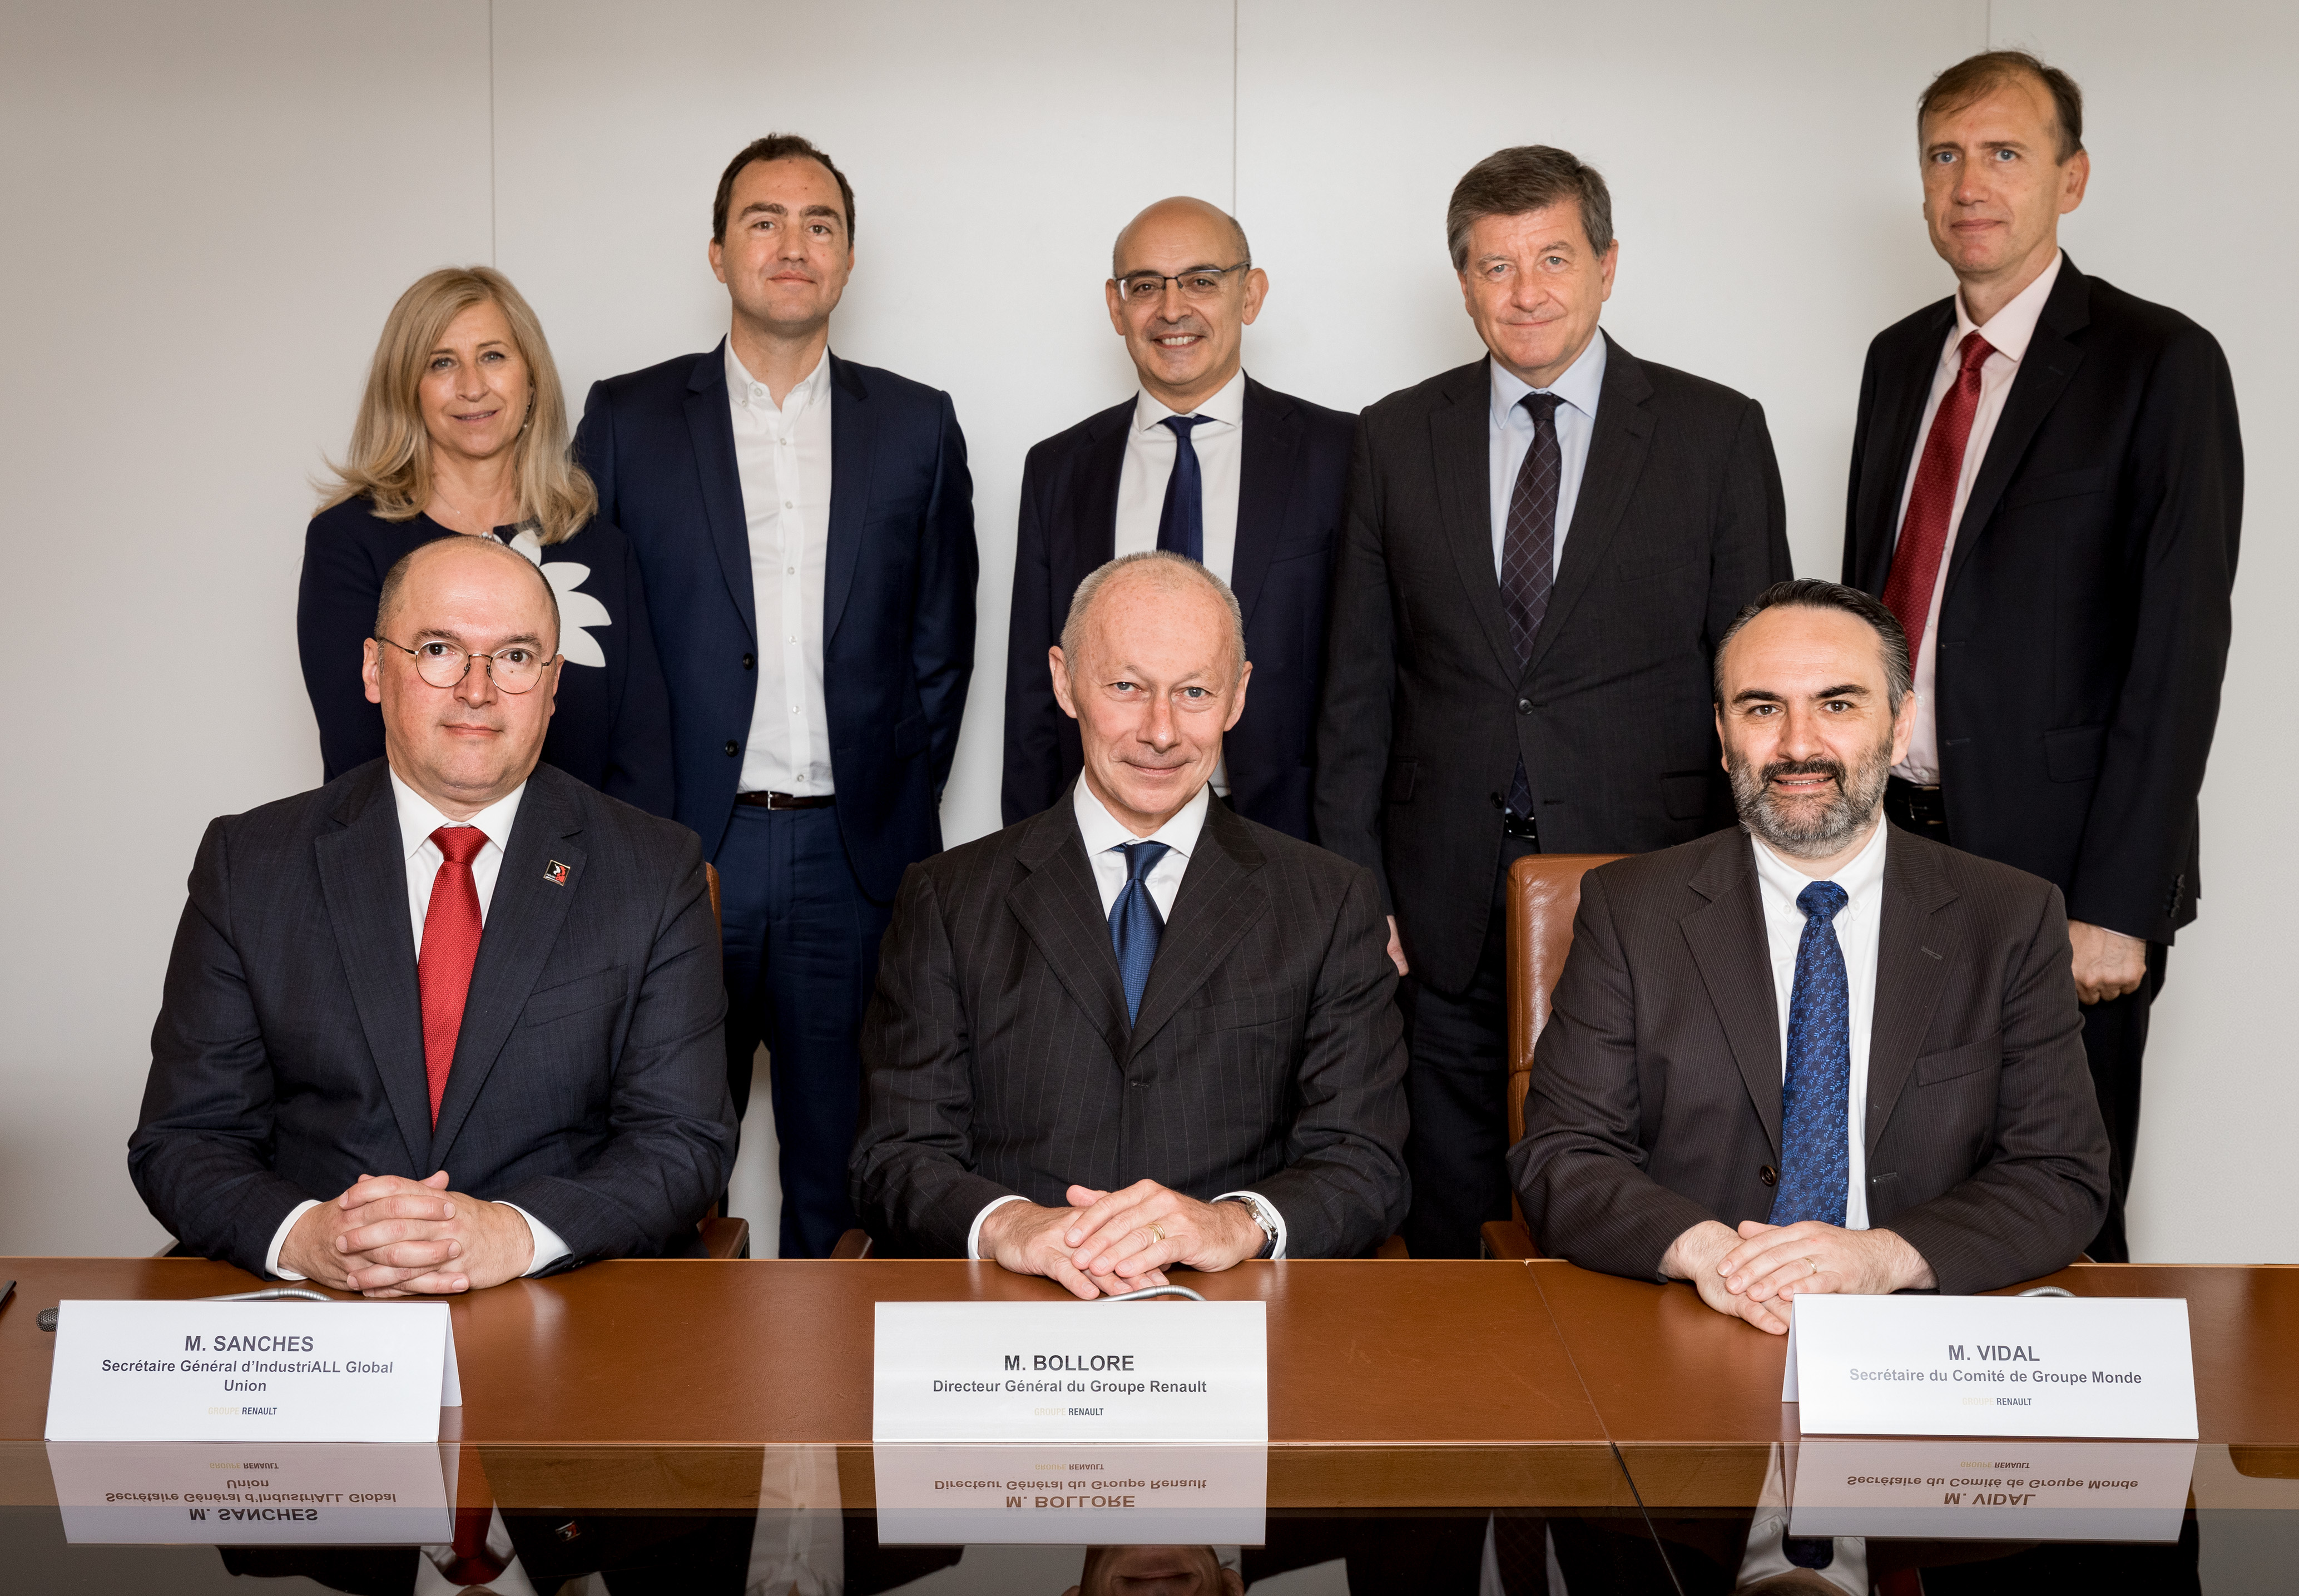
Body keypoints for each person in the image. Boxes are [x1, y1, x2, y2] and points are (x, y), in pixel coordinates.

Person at [1316, 145, 1793, 1258]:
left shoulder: (1714, 433)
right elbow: (1356, 688)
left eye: (1552, 259)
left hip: (1652, 885)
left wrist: (1753, 885)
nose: (1524, 292)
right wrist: (1358, 891)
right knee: (1448, 1203)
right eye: (1495, 266)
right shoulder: (1394, 435)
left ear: (1607, 266)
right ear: (1463, 283)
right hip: (1437, 899)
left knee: (1640, 1196)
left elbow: (1759, 688)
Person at [1843, 50, 2241, 1263]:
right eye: (1944, 156)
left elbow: (2177, 652)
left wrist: (2115, 905)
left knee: (2061, 1204)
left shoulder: (2158, 363)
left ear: (2071, 179)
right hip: (1894, 845)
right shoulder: (1897, 357)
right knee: (1899, 1184)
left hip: (2064, 874)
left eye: (2005, 153)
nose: (1970, 184)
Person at [131, 535, 735, 1291]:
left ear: (553, 686)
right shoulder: (249, 862)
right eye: (440, 649)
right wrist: (309, 1237)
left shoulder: (654, 869)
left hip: (564, 1301)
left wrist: (513, 1235)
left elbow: (683, 1141)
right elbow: (186, 1137)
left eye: (515, 656)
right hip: (322, 1313)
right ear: (373, 669)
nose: (478, 690)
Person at [575, 134, 978, 1258]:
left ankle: (827, 1383)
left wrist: (886, 804)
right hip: (672, 856)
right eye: (763, 220)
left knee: (845, 1179)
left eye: (819, 223)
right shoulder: (627, 419)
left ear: (848, 258)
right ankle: (673, 1379)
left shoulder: (917, 424)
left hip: (852, 863)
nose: (792, 243)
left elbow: (942, 648)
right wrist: (626, 830)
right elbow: (591, 646)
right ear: (718, 253)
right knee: (656, 1170)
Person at [1510, 579, 2110, 1325]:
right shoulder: (1631, 910)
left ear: (1899, 726)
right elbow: (1562, 1155)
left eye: (1837, 704)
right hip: (1698, 1321)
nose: (1798, 745)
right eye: (1762, 708)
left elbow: (2059, 1173)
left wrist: (1882, 1257)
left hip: (1920, 1330)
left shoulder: (2010, 917)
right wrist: (1710, 1254)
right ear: (1723, 734)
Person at [851, 552, 1408, 1290]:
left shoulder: (1330, 902)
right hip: (1016, 1313)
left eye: (1194, 692)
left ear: (1238, 695)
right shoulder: (946, 899)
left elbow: (1364, 1160)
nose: (1161, 731)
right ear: (1064, 680)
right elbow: (896, 1155)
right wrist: (1013, 1227)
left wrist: (1234, 1224)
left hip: (1234, 1311)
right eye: (1126, 687)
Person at [1002, 196, 1353, 839]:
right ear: (1116, 307)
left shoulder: (1341, 454)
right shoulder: (1059, 469)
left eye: (1201, 281)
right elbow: (1034, 689)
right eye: (1145, 286)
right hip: (1099, 832)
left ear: (1251, 294)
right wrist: (1026, 857)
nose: (1171, 309)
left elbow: (1369, 678)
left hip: (1291, 836)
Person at [299, 266, 672, 814]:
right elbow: (360, 755)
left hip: (586, 862)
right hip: (415, 860)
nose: (472, 386)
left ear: (532, 381)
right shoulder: (349, 542)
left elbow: (644, 761)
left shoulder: (600, 548)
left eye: (493, 356)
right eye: (442, 362)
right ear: (406, 388)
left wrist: (601, 863)